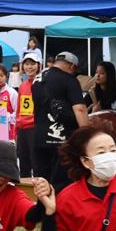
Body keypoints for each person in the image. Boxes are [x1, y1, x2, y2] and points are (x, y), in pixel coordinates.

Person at [34, 51, 90, 189]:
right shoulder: (69, 80)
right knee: (62, 186)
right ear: (72, 66)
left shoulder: (38, 79)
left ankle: (44, 204)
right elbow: (80, 109)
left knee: (43, 185)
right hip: (61, 142)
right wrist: (87, 136)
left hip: (39, 139)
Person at [15, 51, 40, 176]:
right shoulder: (22, 86)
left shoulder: (41, 84)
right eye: (27, 64)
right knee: (23, 161)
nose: (29, 67)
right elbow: (19, 109)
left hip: (34, 128)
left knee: (36, 162)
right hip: (22, 129)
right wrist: (16, 127)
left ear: (38, 65)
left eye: (32, 64)